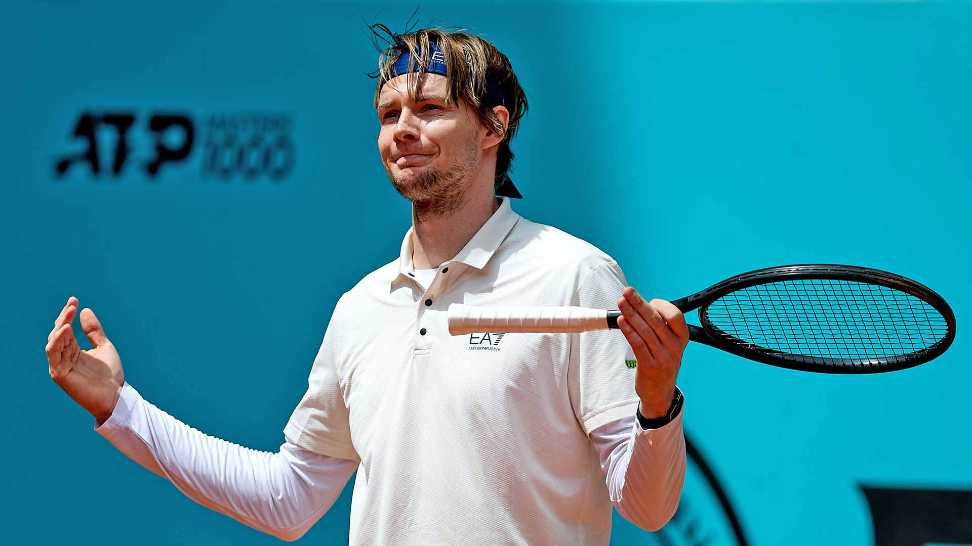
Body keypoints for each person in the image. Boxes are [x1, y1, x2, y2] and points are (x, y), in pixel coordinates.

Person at [44, 26, 689, 545]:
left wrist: (657, 398)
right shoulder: (361, 308)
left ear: (494, 127)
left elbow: (647, 507)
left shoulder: (573, 273)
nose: (402, 129)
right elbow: (288, 498)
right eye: (389, 113)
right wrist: (120, 409)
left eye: (430, 109)